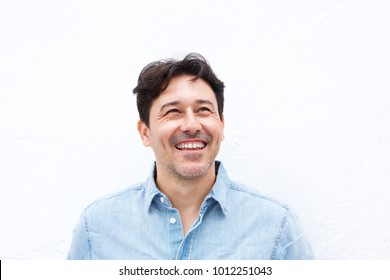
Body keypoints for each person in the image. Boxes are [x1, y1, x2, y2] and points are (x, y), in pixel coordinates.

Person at [67, 53, 314, 260]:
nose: (192, 124)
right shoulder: (97, 228)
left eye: (203, 110)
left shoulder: (277, 226)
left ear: (222, 125)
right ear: (145, 132)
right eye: (173, 112)